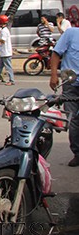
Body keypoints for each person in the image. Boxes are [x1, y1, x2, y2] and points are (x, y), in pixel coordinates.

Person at [49, 27, 79, 166]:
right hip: (71, 85)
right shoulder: (71, 33)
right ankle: (77, 153)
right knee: (73, 120)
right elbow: (56, 54)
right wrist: (54, 75)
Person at [0, 15, 15, 86]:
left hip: (6, 52)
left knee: (8, 67)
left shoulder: (4, 31)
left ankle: (11, 80)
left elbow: (3, 40)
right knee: (0, 66)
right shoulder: (4, 30)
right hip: (3, 52)